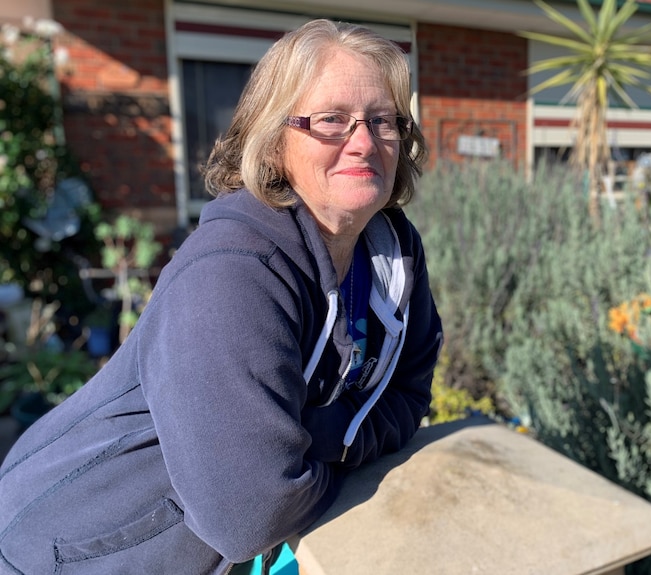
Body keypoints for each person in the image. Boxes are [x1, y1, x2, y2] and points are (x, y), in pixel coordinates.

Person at [0, 18, 442, 574]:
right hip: (74, 549)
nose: (362, 141)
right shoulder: (232, 273)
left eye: (382, 120)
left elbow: (410, 387)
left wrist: (331, 440)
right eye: (331, 120)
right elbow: (249, 513)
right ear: (276, 141)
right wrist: (319, 454)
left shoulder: (391, 250)